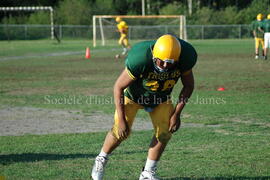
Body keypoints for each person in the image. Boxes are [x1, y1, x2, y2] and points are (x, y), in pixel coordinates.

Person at [91, 34, 197, 180]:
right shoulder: (140, 58)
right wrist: (121, 120)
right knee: (120, 131)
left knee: (165, 133)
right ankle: (101, 158)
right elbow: (118, 87)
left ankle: (147, 173)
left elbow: (189, 85)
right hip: (133, 97)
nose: (166, 66)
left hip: (161, 98)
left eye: (170, 62)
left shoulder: (185, 57)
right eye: (162, 62)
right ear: (154, 57)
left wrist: (176, 114)